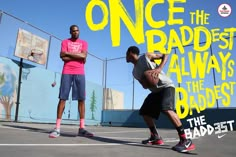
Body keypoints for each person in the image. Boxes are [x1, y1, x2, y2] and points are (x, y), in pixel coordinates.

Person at [126, 46, 195, 153]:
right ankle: (155, 137)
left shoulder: (146, 56)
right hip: (155, 92)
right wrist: (147, 80)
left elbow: (165, 55)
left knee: (166, 108)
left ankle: (185, 140)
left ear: (130, 53)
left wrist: (159, 69)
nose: (126, 57)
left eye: (126, 54)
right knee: (145, 112)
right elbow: (144, 86)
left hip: (166, 86)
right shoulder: (134, 73)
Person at [49, 25, 93, 138]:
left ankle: (82, 128)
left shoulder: (84, 43)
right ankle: (57, 128)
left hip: (80, 72)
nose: (76, 32)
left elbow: (83, 56)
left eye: (77, 30)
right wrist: (78, 56)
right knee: (62, 98)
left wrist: (68, 54)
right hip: (67, 71)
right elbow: (62, 57)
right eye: (73, 31)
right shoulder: (64, 42)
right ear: (70, 32)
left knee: (81, 100)